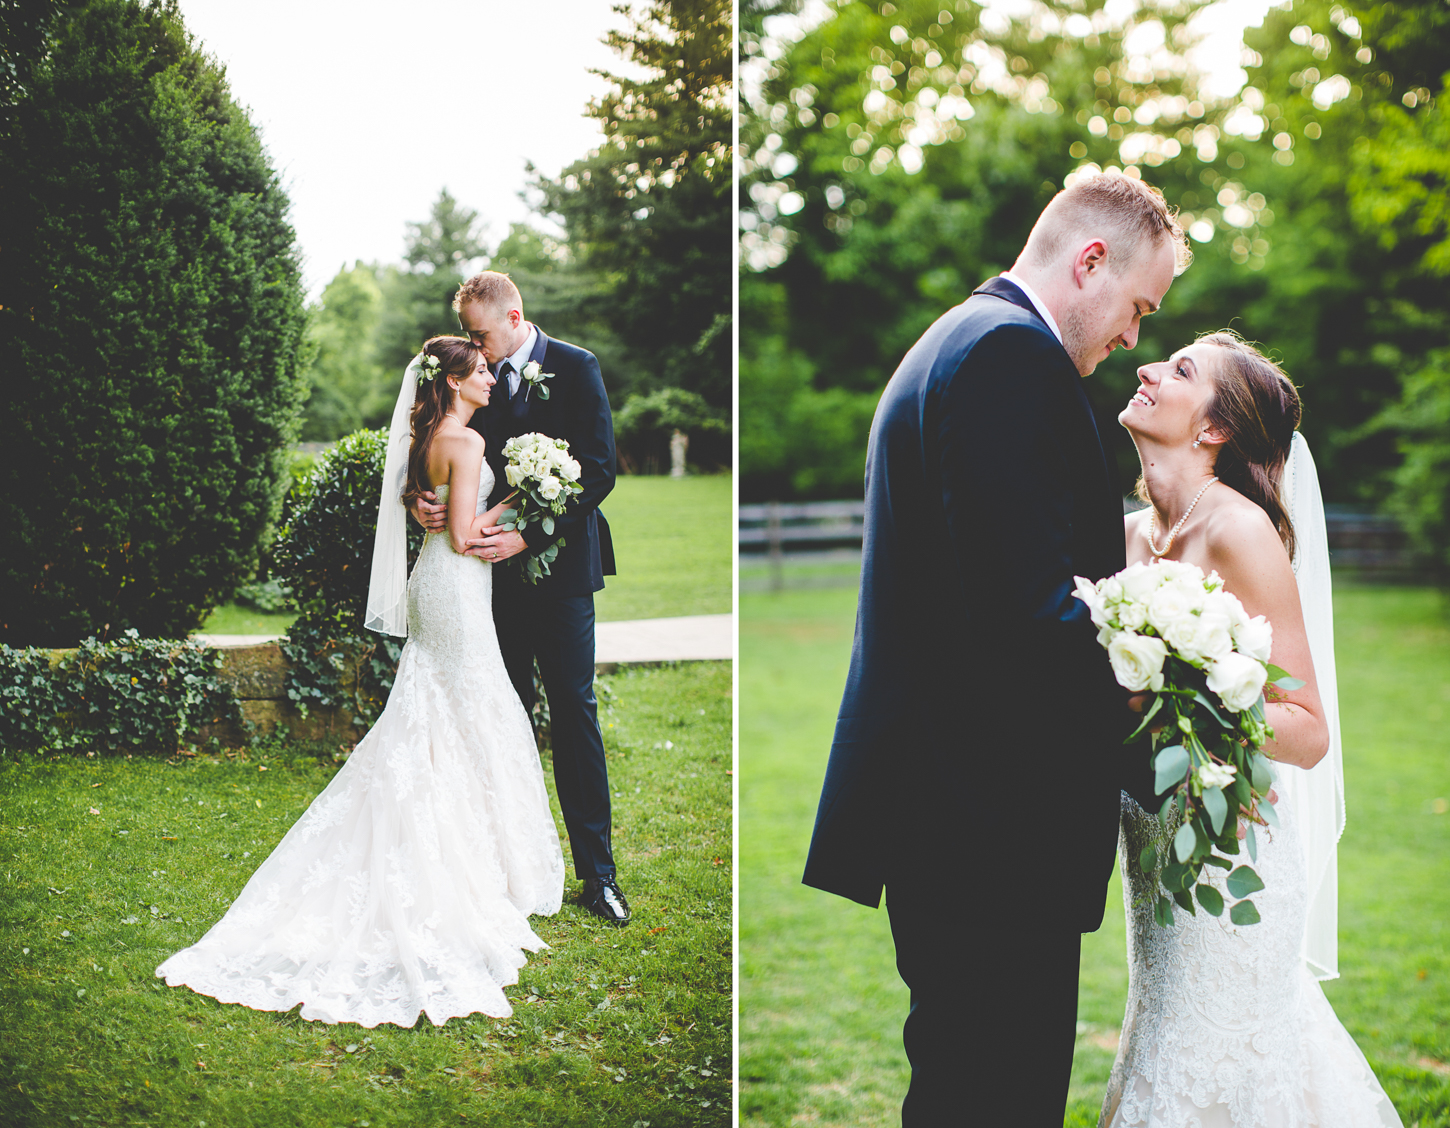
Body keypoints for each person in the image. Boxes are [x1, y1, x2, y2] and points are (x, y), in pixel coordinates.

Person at [801, 172, 1189, 1124]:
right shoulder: (1011, 359)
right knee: (993, 1095)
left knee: (966, 1086)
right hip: (990, 829)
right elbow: (1029, 615)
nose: (1135, 337)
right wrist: (1169, 683)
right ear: (1089, 261)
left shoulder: (955, 339)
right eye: (1139, 306)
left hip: (955, 816)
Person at [157, 336, 565, 1027]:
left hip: (436, 586)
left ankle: (473, 847)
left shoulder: (428, 435)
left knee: (443, 708)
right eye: (482, 373)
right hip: (458, 584)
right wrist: (525, 501)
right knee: (471, 706)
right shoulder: (464, 447)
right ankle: (473, 859)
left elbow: (433, 516)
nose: (493, 380)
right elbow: (465, 537)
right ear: (456, 380)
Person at [1100, 331, 1403, 1127]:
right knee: (1163, 1038)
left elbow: (1306, 728)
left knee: (1230, 1055)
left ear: (1214, 429)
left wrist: (1186, 692)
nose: (1148, 368)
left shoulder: (1241, 530)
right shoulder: (1124, 534)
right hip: (1156, 845)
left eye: (1181, 369)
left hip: (1235, 854)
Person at [409, 272, 628, 925]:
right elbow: (443, 449)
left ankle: (599, 875)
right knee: (499, 714)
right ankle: (494, 866)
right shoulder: (476, 376)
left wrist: (528, 536)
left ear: (515, 315)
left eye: (480, 333)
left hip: (560, 576)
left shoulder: (576, 367)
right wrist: (425, 499)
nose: (475, 348)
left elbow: (598, 468)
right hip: (482, 582)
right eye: (469, 338)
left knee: (573, 709)